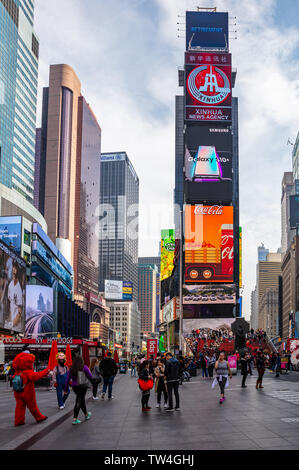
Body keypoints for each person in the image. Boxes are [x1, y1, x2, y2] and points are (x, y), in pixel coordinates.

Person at [12, 352, 50, 426]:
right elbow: (36, 376)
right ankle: (39, 417)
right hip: (27, 392)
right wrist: (47, 371)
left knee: (19, 406)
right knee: (32, 406)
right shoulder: (28, 372)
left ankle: (18, 420)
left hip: (18, 391)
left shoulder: (16, 372)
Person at [65, 355, 93, 425]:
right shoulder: (85, 367)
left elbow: (67, 380)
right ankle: (75, 419)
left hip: (75, 387)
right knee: (79, 401)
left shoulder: (71, 369)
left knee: (81, 400)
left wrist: (65, 389)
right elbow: (90, 376)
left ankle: (86, 415)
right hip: (83, 386)